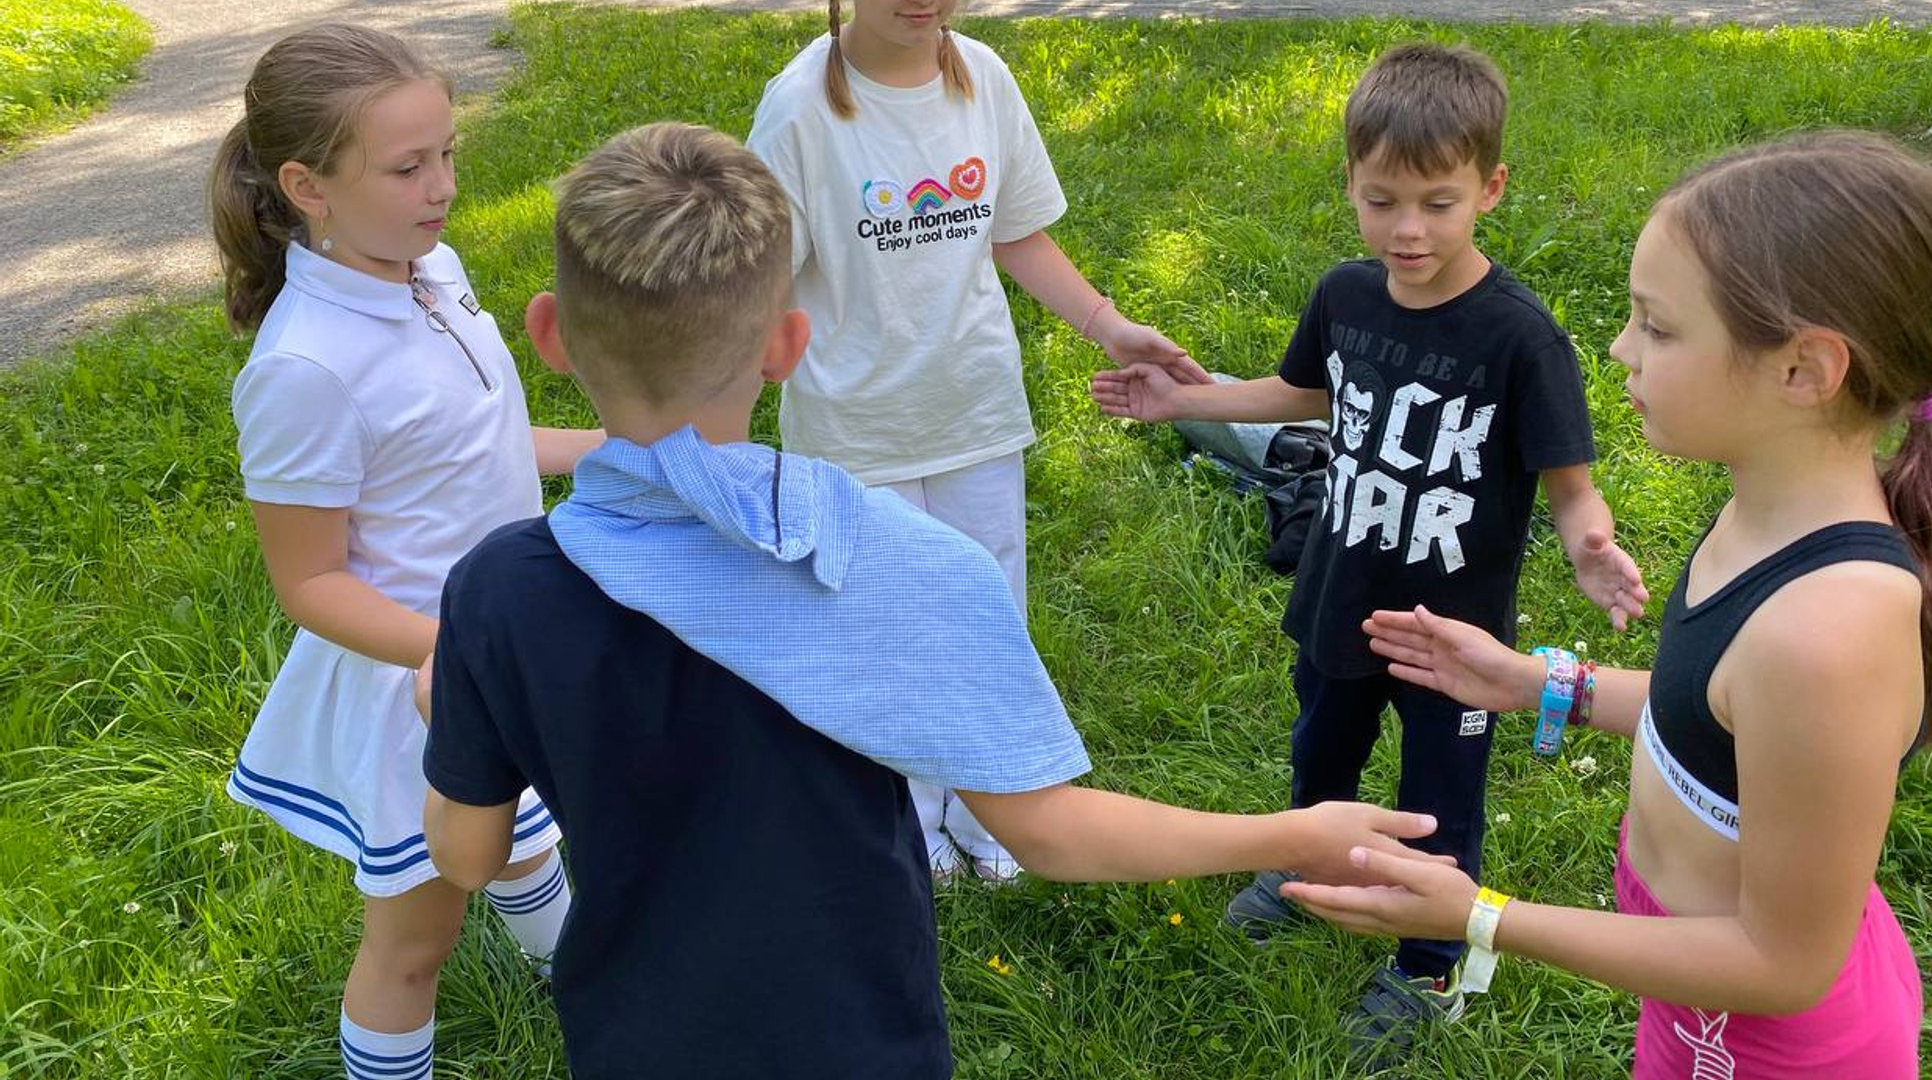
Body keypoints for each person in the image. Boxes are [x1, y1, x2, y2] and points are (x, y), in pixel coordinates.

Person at [416, 121, 1443, 1080]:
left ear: (547, 335)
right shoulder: (906, 562)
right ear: (784, 346)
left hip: (635, 1030)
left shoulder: (498, 594)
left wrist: (445, 705)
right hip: (863, 1031)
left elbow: (466, 855)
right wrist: (1282, 833)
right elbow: (1048, 832)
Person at [1284, 130, 1932, 1080]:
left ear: (1805, 370)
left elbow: (1784, 963)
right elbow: (1721, 720)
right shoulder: (1762, 513)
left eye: (1657, 325)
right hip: (1696, 1001)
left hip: (1767, 1046)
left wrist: (1481, 917)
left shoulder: (1831, 631)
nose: (1619, 347)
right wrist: (1543, 686)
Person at [1090, 41, 1647, 1060]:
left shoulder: (1521, 339)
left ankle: (1429, 961)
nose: (1406, 228)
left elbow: (1571, 487)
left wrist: (1589, 546)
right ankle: (1317, 872)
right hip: (1339, 593)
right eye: (1381, 198)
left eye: (1436, 202)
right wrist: (1185, 399)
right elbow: (1305, 392)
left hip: (1454, 642)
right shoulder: (1345, 296)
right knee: (1321, 753)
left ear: (1489, 187)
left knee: (1439, 802)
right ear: (1349, 182)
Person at [745, 0, 1208, 881]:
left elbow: (1015, 233)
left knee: (985, 616)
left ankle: (984, 810)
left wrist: (1106, 322)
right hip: (853, 433)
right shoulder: (797, 112)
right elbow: (762, 289)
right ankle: (905, 818)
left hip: (972, 415)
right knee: (884, 627)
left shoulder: (983, 81)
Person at [208, 24, 600, 1080]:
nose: (443, 187)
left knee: (528, 831)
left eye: (448, 153)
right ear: (308, 185)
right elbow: (309, 582)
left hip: (496, 635)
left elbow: (471, 444)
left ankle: (587, 990)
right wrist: (465, 654)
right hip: (419, 680)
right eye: (407, 166)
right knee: (414, 943)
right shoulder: (307, 367)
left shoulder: (431, 271)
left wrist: (615, 450)